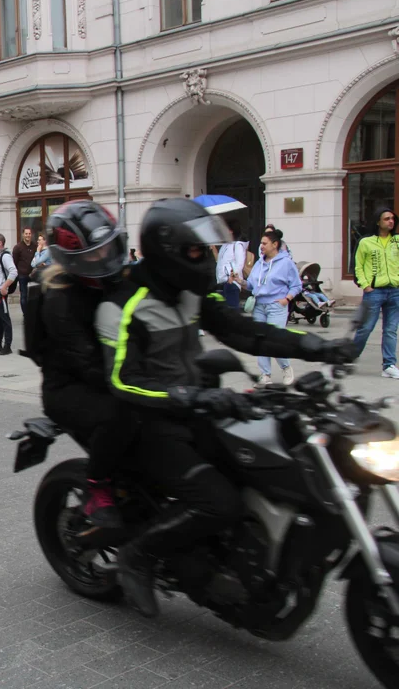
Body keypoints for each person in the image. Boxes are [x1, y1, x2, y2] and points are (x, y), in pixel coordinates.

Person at [94, 198, 355, 618]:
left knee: (269, 467)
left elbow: (242, 330)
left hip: (198, 409)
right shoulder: (123, 305)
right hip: (148, 424)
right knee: (219, 501)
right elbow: (123, 382)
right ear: (169, 251)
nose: (207, 259)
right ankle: (137, 556)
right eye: (199, 251)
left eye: (209, 250)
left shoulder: (189, 293)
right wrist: (189, 397)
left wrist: (315, 347)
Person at [37, 201, 131, 529]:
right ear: (71, 258)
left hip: (112, 370)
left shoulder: (115, 280)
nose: (103, 258)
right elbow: (86, 360)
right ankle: (97, 486)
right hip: (69, 387)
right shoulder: (60, 299)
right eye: (94, 253)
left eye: (107, 249)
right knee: (119, 412)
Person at [246, 228, 301, 386]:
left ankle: (286, 367)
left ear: (275, 244)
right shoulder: (259, 262)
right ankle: (265, 375)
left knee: (274, 340)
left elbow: (296, 285)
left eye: (265, 243)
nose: (261, 246)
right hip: (259, 306)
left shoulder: (286, 263)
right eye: (261, 243)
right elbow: (251, 284)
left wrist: (286, 299)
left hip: (277, 306)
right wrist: (239, 280)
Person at [354, 205, 399, 379]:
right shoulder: (366, 242)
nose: (391, 221)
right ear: (378, 222)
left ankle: (389, 365)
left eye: (392, 219)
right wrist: (365, 285)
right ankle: (349, 358)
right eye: (387, 218)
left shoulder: (397, 241)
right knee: (365, 328)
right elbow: (358, 266)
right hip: (374, 292)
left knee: (391, 330)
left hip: (394, 291)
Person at [215, 221, 248, 310]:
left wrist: (232, 277)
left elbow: (239, 263)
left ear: (230, 231)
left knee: (232, 311)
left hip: (231, 282)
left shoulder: (237, 245)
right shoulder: (225, 245)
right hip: (222, 282)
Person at [12, 227, 37, 313]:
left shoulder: (35, 246)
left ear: (31, 235)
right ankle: (25, 314)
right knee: (24, 295)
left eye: (29, 234)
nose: (28, 235)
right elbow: (14, 261)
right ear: (23, 235)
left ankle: (33, 312)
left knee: (34, 294)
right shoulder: (18, 247)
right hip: (22, 275)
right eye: (26, 234)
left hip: (33, 274)